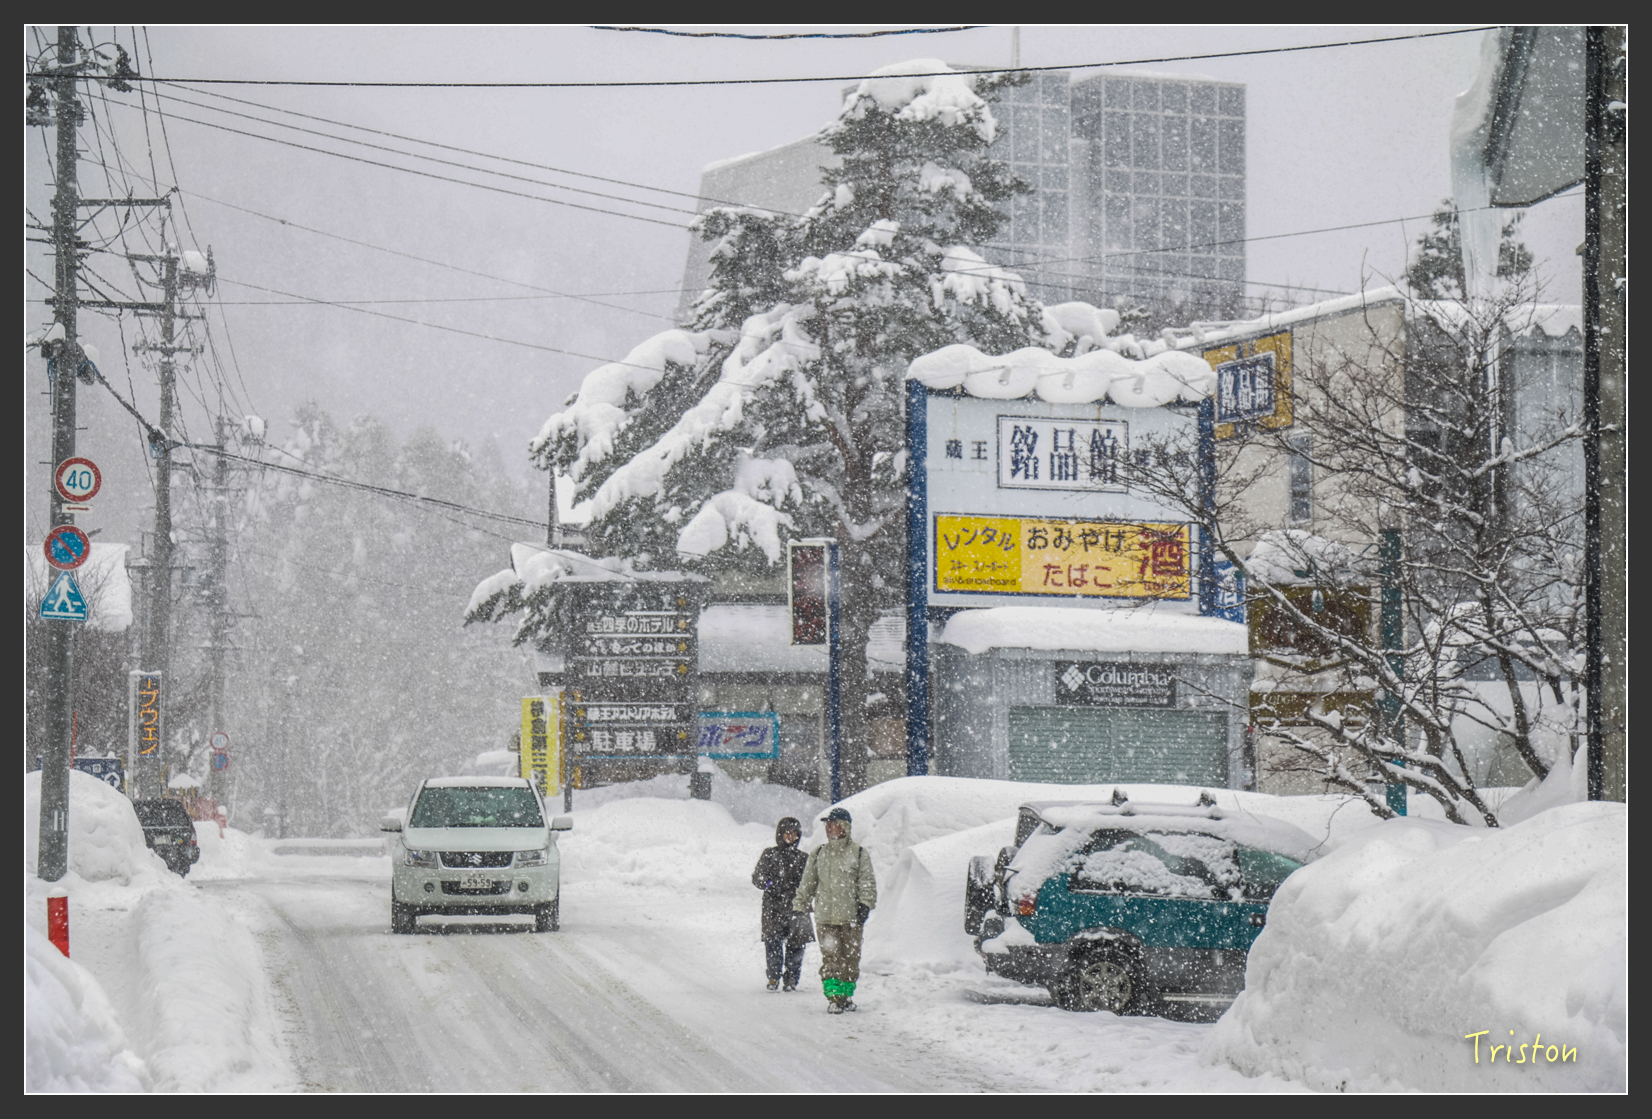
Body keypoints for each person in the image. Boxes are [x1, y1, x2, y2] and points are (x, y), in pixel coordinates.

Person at [792, 806, 876, 1013]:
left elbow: (867, 882)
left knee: (851, 959)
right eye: (827, 824)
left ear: (844, 827)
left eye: (833, 824)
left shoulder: (858, 853)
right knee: (831, 959)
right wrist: (799, 905)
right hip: (825, 918)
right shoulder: (819, 853)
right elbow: (808, 882)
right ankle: (833, 998)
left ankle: (846, 996)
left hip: (851, 918)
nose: (829, 828)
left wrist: (865, 905)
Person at [751, 816, 812, 992]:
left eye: (794, 834)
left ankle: (791, 979)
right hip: (773, 907)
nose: (791, 837)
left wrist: (802, 893)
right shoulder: (770, 854)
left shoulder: (803, 858)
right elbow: (758, 878)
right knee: (773, 943)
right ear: (780, 834)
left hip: (797, 907)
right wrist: (770, 884)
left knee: (797, 945)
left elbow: (810, 881)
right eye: (787, 833)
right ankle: (773, 976)